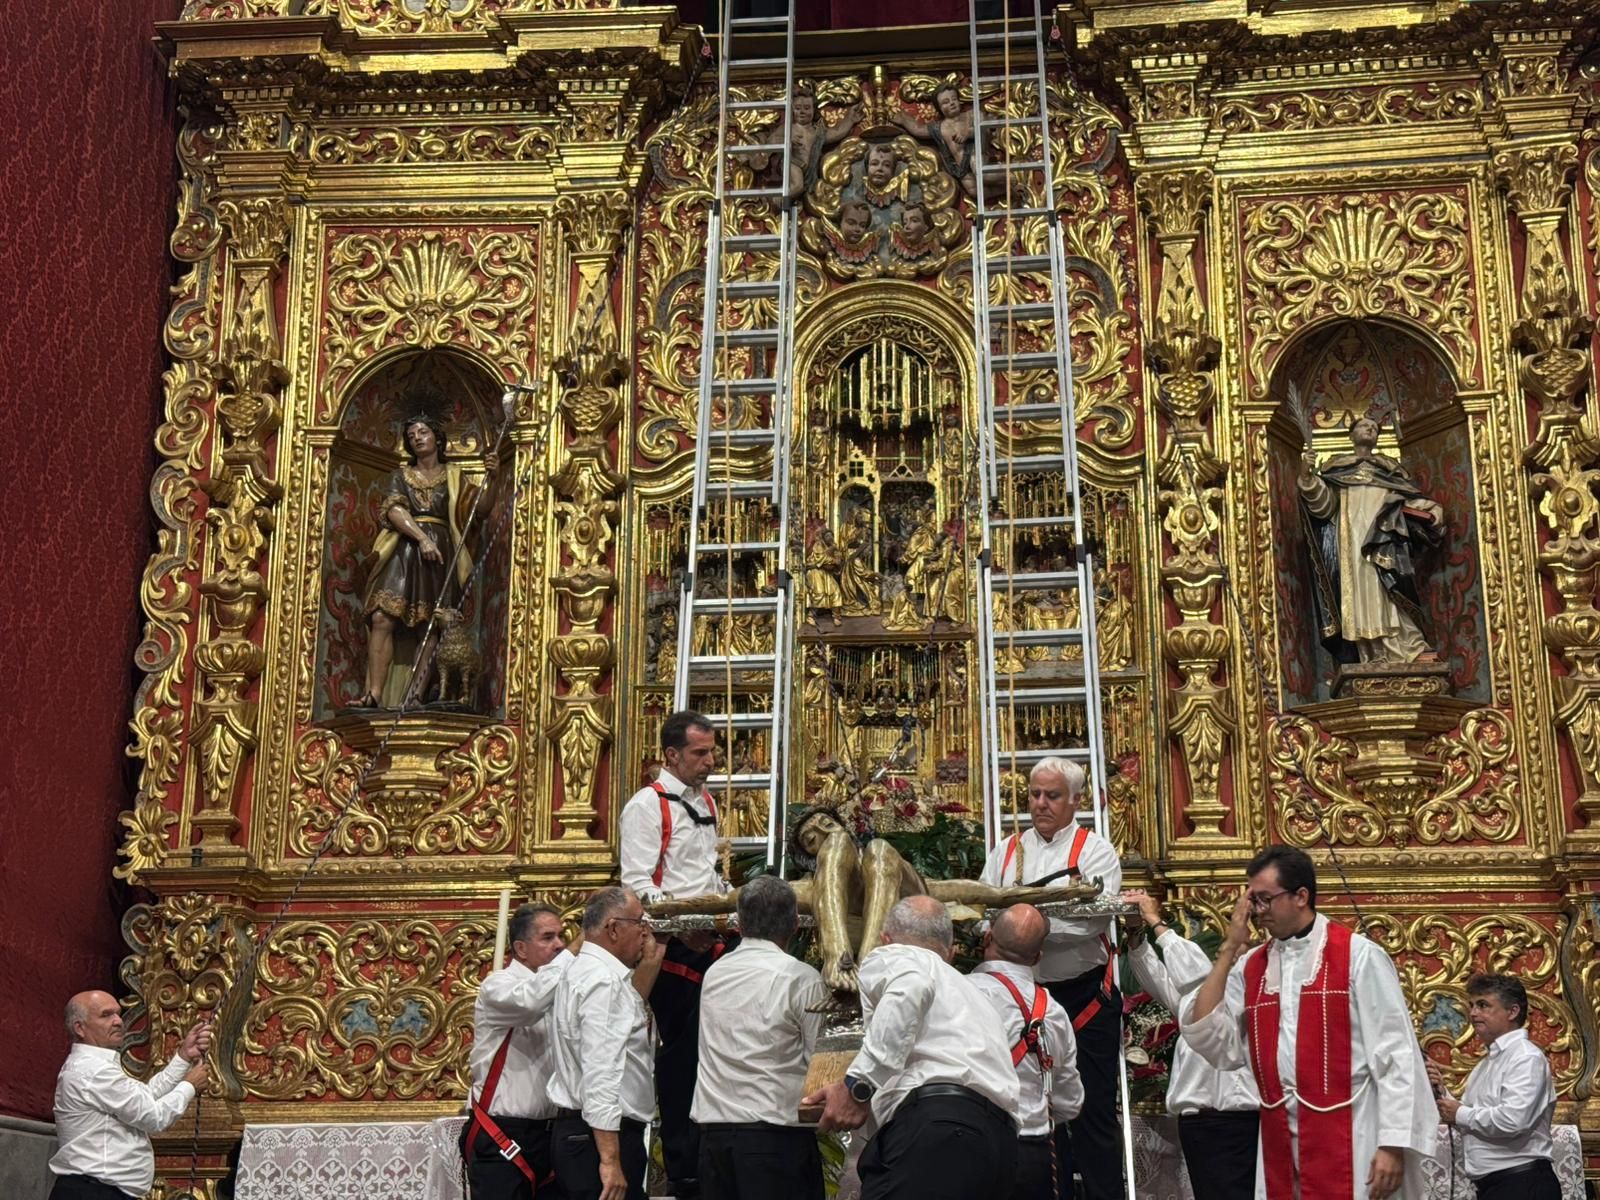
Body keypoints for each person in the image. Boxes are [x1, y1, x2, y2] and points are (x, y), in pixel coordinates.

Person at [1183, 845, 1438, 1200]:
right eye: (1251, 901)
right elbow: (1210, 1039)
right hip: (1279, 1142)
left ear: (1301, 895)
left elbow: (1396, 1054)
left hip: (1355, 1131)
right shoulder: (1253, 966)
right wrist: (1229, 948)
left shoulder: (1358, 956)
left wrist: (1393, 1145)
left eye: (1264, 899)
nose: (1257, 912)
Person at [802, 896, 1019, 1200]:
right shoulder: (974, 994)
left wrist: (858, 1087)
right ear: (951, 952)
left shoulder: (896, 956)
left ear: (885, 939)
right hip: (999, 1145)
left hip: (937, 1132)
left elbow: (911, 988)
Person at [979, 756, 1123, 1200]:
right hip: (1022, 996)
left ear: (1076, 800)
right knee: (1032, 1110)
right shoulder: (1005, 852)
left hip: (1084, 998)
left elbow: (1093, 921)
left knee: (1093, 1113)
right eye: (1035, 794)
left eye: (1052, 795)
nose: (1041, 803)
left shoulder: (1095, 851)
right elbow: (985, 914)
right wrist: (1015, 929)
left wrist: (1024, 928)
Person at [619, 710, 734, 1200]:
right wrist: (686, 925)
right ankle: (683, 1168)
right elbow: (637, 884)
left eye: (712, 753)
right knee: (682, 1059)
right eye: (700, 754)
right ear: (671, 754)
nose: (710, 762)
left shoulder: (704, 800)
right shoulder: (647, 806)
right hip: (670, 951)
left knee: (715, 1053)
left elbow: (706, 874)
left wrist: (731, 901)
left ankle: (715, 1155)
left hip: (710, 939)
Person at [692, 876, 829, 1200]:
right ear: (796, 924)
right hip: (774, 1142)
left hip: (715, 1140)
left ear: (738, 923)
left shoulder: (716, 973)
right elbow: (819, 1063)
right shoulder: (800, 978)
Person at [1122, 889, 1259, 1200]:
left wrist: (1155, 920)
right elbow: (1155, 977)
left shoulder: (1248, 993)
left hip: (1238, 1121)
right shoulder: (1194, 1002)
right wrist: (1135, 932)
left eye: (1239, 950)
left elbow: (1194, 976)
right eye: (1228, 950)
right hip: (1197, 1124)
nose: (1233, 955)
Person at [358, 411, 481, 707]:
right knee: (381, 616)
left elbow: (478, 510)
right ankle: (374, 693)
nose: (417, 439)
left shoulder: (453, 476)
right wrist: (421, 538)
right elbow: (393, 509)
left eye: (423, 433)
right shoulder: (400, 476)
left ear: (437, 438)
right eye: (412, 436)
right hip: (404, 550)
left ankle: (414, 696)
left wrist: (496, 471)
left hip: (440, 553)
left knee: (429, 623)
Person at [1298, 416, 1443, 664]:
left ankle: (1409, 646)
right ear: (1351, 434)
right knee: (1358, 593)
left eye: (1375, 427)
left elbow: (1406, 500)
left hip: (1385, 538)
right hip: (1351, 540)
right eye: (1365, 426)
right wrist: (1307, 476)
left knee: (1390, 587)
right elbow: (1323, 506)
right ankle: (1369, 652)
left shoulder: (1389, 470)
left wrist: (1430, 510)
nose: (1371, 429)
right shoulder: (1337, 469)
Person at [547, 888, 663, 1200]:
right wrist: (610, 1160)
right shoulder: (604, 983)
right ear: (613, 928)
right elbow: (601, 1073)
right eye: (639, 922)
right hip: (600, 1140)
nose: (645, 930)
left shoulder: (583, 971)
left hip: (585, 1134)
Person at [968, 904, 1084, 1200]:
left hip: (970, 1146)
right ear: (1038, 956)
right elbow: (1070, 1102)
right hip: (1032, 1153)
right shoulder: (1054, 1012)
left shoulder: (959, 993)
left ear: (986, 939)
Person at [461, 903, 576, 1200]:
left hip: (550, 1135)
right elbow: (531, 1003)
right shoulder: (498, 986)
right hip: (503, 1133)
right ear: (521, 949)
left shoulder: (561, 988)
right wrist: (572, 954)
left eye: (561, 936)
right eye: (548, 937)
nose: (559, 945)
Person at [48, 991, 211, 1200]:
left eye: (118, 1013)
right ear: (80, 1028)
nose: (118, 1021)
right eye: (106, 1015)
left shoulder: (96, 1067)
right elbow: (153, 1117)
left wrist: (183, 1057)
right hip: (93, 1192)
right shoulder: (93, 1071)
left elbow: (146, 1097)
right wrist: (190, 1085)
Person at [1428, 974, 1559, 1200]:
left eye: (1483, 1005)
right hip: (1497, 1186)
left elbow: (1513, 1120)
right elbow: (1470, 1119)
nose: (1473, 1013)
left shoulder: (1525, 1057)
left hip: (1522, 1184)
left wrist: (1459, 1112)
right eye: (1472, 1005)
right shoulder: (1486, 1064)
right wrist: (1440, 1088)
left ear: (1512, 1011)